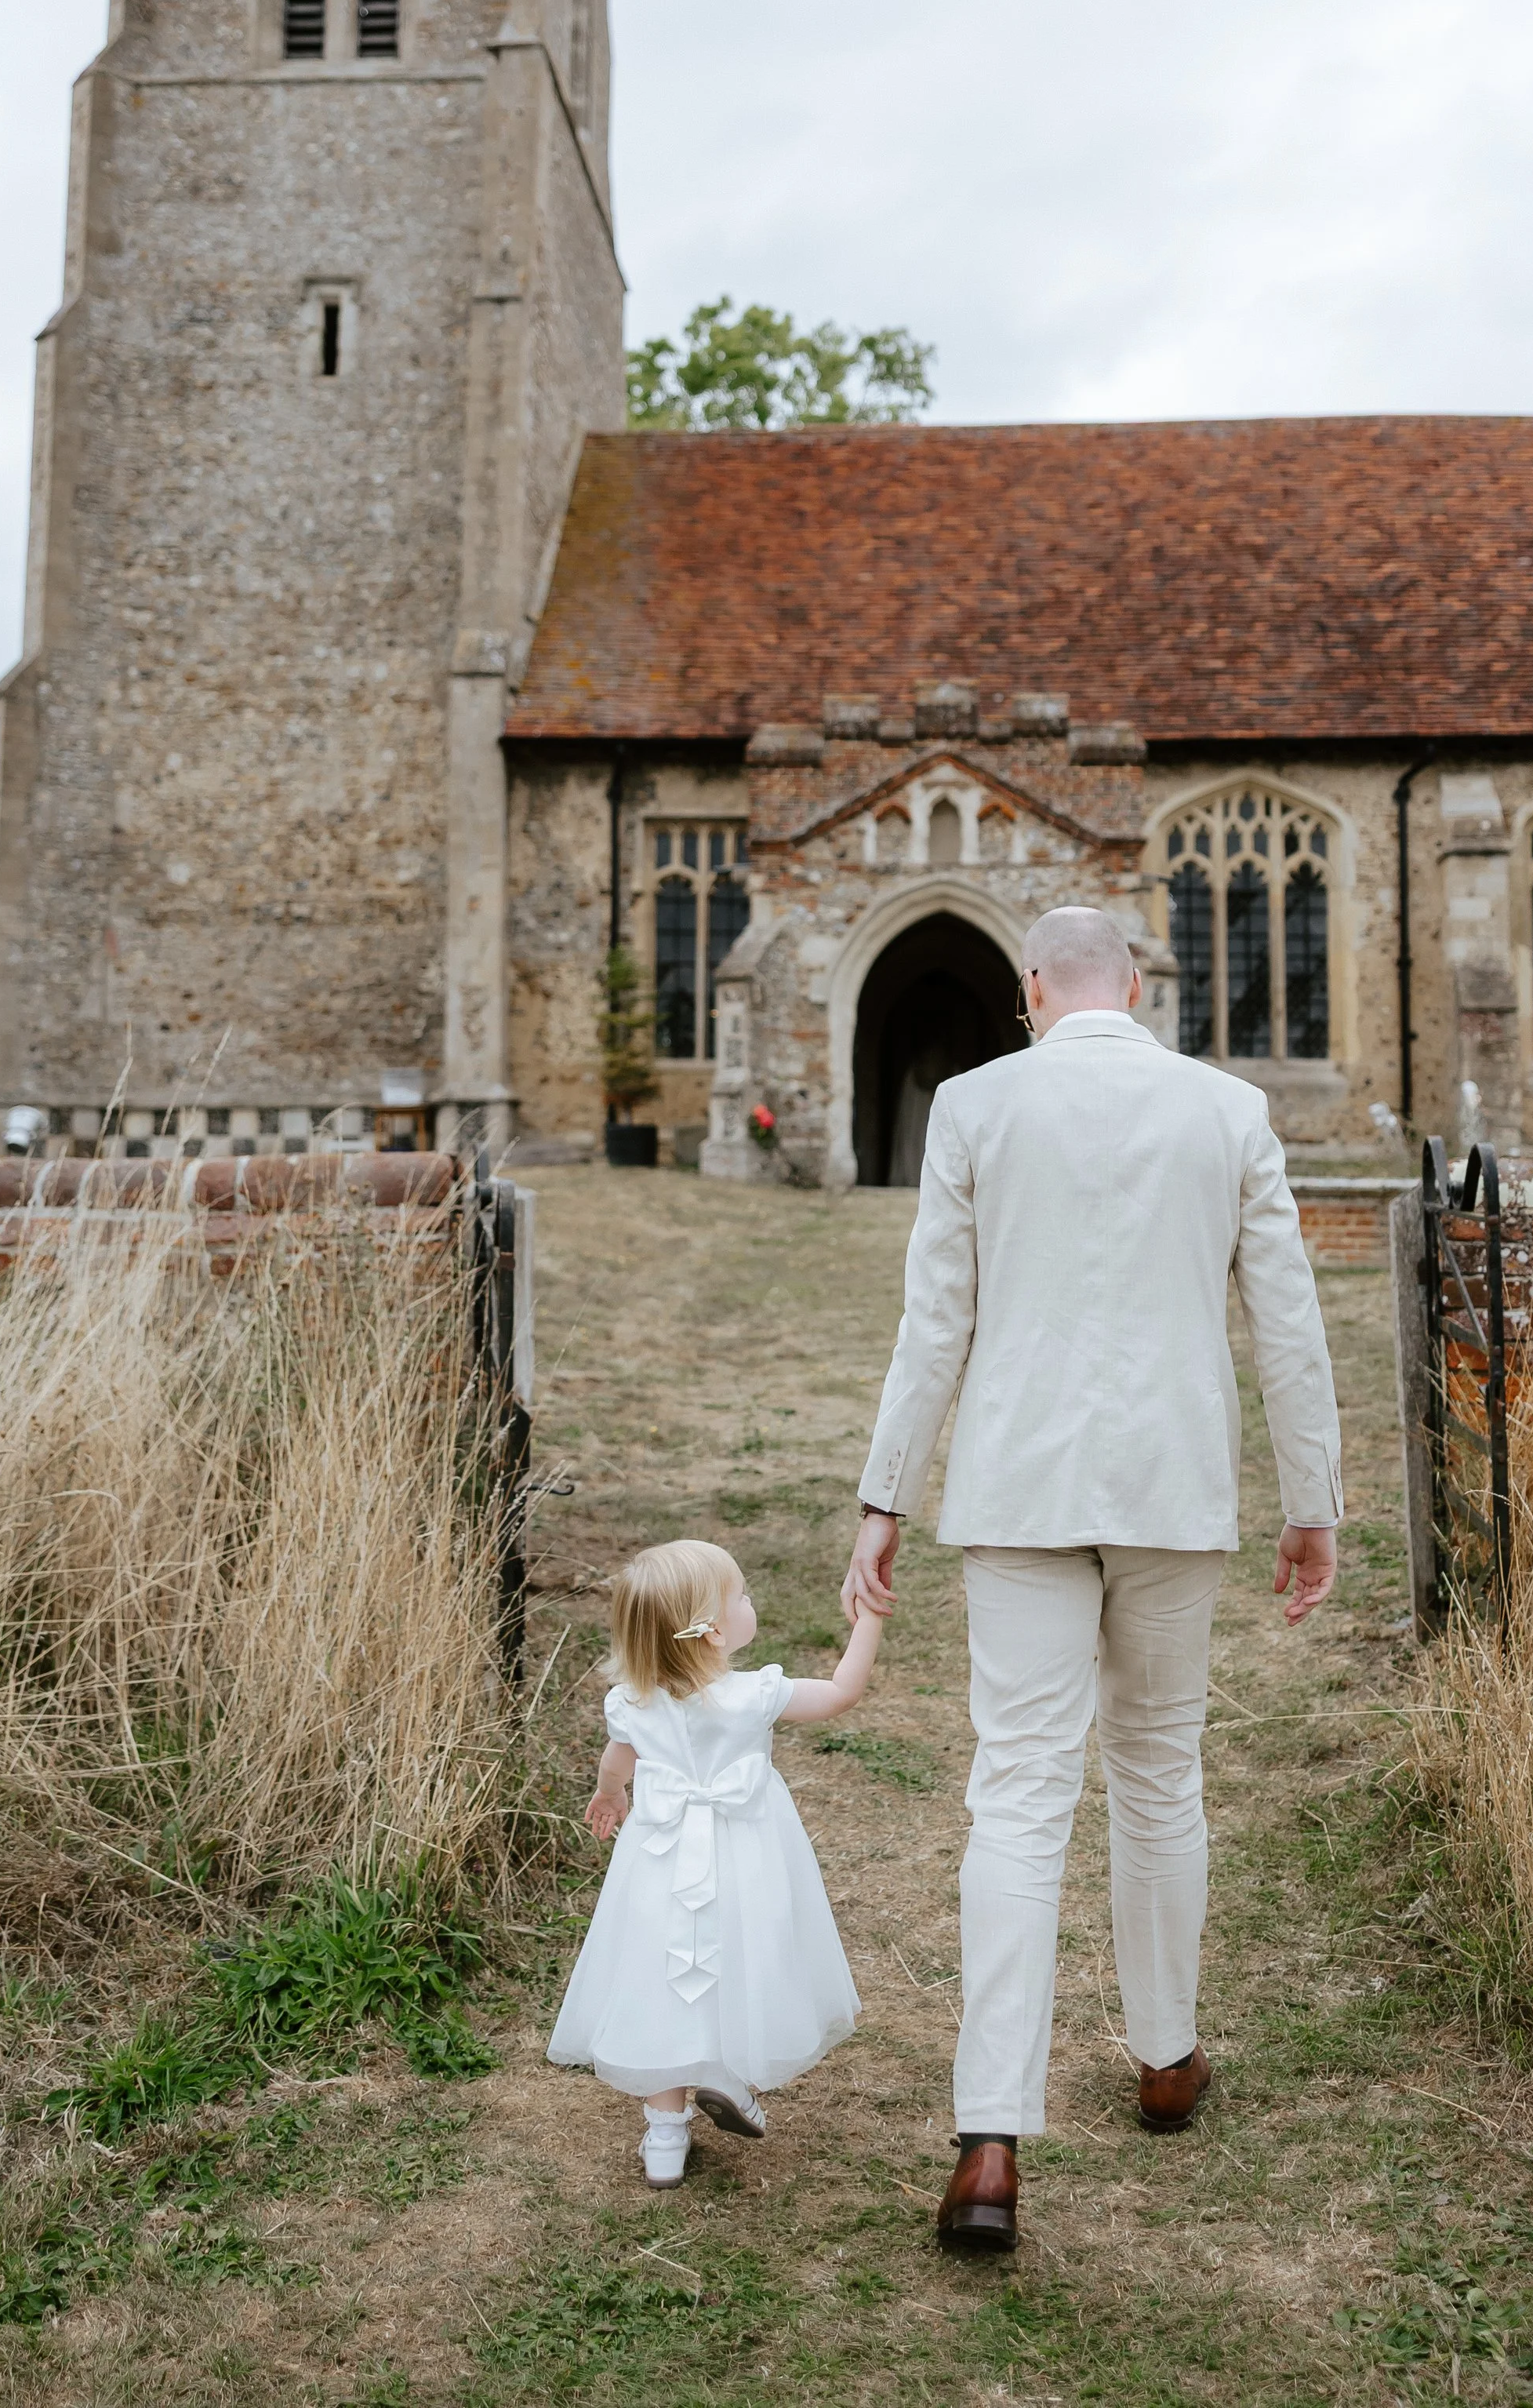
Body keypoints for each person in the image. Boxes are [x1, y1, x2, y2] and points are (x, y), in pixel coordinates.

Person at [843, 906, 1342, 2253]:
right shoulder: (1227, 1111)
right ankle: (1167, 2058)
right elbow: (1285, 1320)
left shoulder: (973, 1107)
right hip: (1176, 1490)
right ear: (1136, 985)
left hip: (1018, 1489)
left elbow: (934, 1317)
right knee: (1160, 1771)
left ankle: (989, 2140)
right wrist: (1314, 1503)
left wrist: (885, 1494)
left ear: (1031, 992)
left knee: (1016, 1790)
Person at [549, 1535, 885, 2187]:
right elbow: (842, 1692)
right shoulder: (755, 1694)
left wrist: (611, 1794)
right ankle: (728, 2077)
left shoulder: (631, 1702)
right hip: (744, 1855)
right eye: (743, 1595)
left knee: (661, 1967)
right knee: (741, 1953)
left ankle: (665, 2136)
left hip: (659, 1859)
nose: (750, 1601)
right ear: (711, 1632)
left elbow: (617, 1762)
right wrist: (868, 1620)